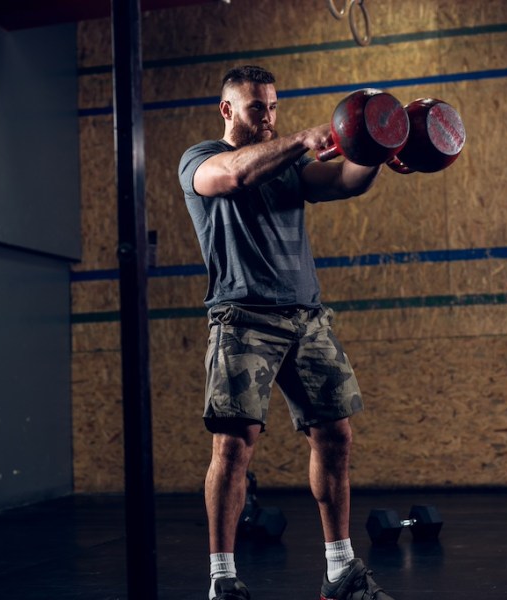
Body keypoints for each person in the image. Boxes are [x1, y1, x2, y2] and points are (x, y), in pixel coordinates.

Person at [179, 65, 396, 600]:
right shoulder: (200, 160)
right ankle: (222, 580)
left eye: (274, 107)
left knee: (336, 435)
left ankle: (340, 571)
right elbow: (230, 177)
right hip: (243, 317)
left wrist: (379, 149)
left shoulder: (289, 168)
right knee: (233, 447)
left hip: (307, 316)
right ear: (228, 110)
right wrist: (302, 139)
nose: (269, 117)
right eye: (258, 108)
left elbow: (347, 180)